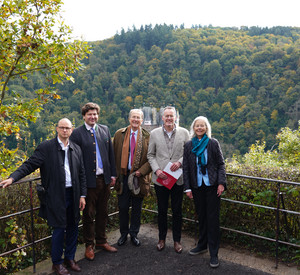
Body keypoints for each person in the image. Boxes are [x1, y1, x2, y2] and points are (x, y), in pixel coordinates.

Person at [0, 118, 87, 275]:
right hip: (56, 195)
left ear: (72, 130)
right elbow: (29, 165)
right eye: (62, 128)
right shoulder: (46, 147)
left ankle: (70, 258)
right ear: (57, 129)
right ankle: (57, 263)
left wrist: (82, 195)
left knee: (74, 226)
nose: (65, 130)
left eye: (68, 128)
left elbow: (82, 174)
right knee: (59, 229)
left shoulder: (76, 148)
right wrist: (12, 178)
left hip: (73, 194)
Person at [70, 102, 117, 261]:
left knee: (103, 213)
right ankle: (89, 245)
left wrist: (113, 175)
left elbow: (110, 154)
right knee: (88, 215)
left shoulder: (104, 129)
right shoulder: (76, 133)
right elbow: (74, 159)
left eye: (95, 114)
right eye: (89, 114)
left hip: (104, 180)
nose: (93, 117)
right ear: (84, 116)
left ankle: (101, 241)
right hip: (88, 182)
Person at [182, 116, 226, 268]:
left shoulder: (213, 143)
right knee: (201, 216)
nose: (199, 128)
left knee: (213, 219)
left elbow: (221, 164)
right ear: (193, 128)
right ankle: (202, 245)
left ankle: (214, 253)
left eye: (202, 126)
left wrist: (221, 183)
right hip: (197, 186)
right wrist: (187, 187)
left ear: (206, 128)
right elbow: (186, 168)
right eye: (197, 126)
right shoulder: (188, 145)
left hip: (212, 186)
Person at [147, 106, 189, 253]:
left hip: (178, 178)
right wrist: (157, 170)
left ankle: (177, 241)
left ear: (176, 117)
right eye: (167, 116)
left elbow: (189, 153)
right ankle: (161, 239)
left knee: (177, 210)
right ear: (162, 118)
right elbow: (150, 155)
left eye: (172, 116)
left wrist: (180, 162)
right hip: (161, 179)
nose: (169, 118)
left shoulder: (184, 133)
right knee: (162, 210)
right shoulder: (154, 133)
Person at [113, 109, 152, 247]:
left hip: (139, 178)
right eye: (133, 117)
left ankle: (134, 234)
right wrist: (114, 174)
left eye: (138, 118)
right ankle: (123, 234)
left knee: (137, 208)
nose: (135, 120)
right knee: (123, 207)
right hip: (123, 177)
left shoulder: (148, 136)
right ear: (129, 119)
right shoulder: (119, 134)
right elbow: (113, 155)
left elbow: (151, 158)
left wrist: (141, 172)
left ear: (142, 120)